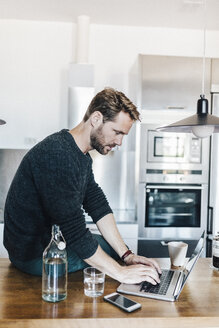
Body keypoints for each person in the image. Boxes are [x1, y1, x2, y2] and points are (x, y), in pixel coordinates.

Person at [4, 87, 161, 285]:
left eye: (124, 135)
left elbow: (97, 204)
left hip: (52, 243)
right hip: (33, 255)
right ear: (96, 118)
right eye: (117, 132)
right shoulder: (57, 153)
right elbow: (75, 232)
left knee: (114, 252)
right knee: (109, 257)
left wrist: (127, 255)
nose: (119, 142)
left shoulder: (81, 155)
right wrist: (121, 273)